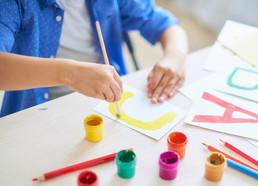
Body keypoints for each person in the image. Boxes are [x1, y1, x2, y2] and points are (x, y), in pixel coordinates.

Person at [0, 0, 188, 117]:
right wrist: (70, 74)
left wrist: (176, 56)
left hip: (108, 102)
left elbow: (165, 24)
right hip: (36, 111)